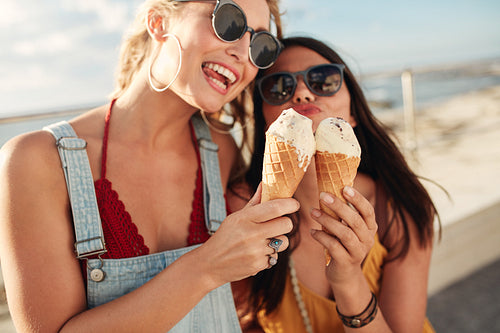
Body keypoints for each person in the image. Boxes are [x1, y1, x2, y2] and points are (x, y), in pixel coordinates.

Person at [0, 1, 300, 332]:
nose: (243, 53)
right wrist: (206, 268)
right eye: (228, 23)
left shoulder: (220, 151)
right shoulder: (38, 161)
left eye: (260, 44)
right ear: (157, 22)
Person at [228, 36, 440, 332]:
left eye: (324, 80)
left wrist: (348, 278)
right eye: (279, 87)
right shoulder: (244, 206)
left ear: (353, 112)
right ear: (265, 121)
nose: (301, 93)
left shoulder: (397, 205)